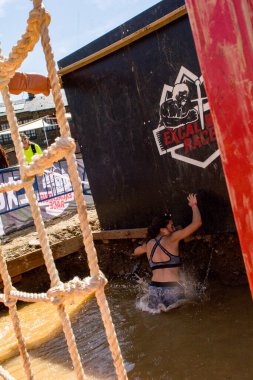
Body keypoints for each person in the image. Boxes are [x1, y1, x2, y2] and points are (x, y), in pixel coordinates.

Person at [133, 193, 202, 311]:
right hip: (172, 288)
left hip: (154, 289)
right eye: (171, 226)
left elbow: (135, 252)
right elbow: (197, 223)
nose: (174, 228)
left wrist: (146, 247)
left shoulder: (149, 244)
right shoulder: (173, 238)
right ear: (162, 229)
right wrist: (194, 205)